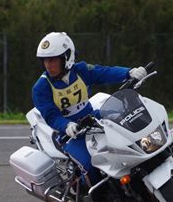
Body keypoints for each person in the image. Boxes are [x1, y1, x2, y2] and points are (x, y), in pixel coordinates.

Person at [32, 32, 147, 186]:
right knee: (89, 164)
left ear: (66, 57)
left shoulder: (81, 70)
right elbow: (51, 116)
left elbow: (104, 72)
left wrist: (128, 72)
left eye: (52, 60)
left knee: (131, 130)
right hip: (71, 135)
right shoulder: (41, 88)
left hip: (93, 118)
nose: (48, 65)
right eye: (45, 60)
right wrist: (66, 126)